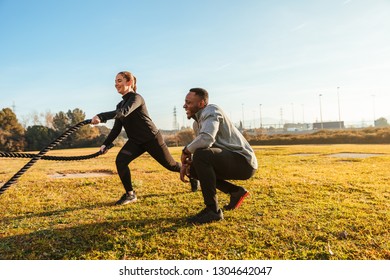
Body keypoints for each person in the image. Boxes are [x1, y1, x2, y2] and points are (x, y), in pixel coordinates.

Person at [91, 71, 198, 205]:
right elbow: (117, 128)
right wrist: (105, 144)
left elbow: (124, 113)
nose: (116, 84)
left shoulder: (137, 98)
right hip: (135, 141)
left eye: (119, 81)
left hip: (151, 138)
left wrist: (101, 116)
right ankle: (130, 194)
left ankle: (192, 174)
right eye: (115, 81)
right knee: (121, 161)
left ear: (129, 82)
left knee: (170, 165)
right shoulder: (119, 105)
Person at [180, 88, 258, 224]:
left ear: (202, 103)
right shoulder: (196, 123)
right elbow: (205, 147)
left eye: (188, 102)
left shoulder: (211, 110)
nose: (184, 105)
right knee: (194, 168)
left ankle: (213, 211)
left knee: (201, 156)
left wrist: (186, 151)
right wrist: (187, 164)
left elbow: (206, 139)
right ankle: (236, 192)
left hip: (244, 162)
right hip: (228, 160)